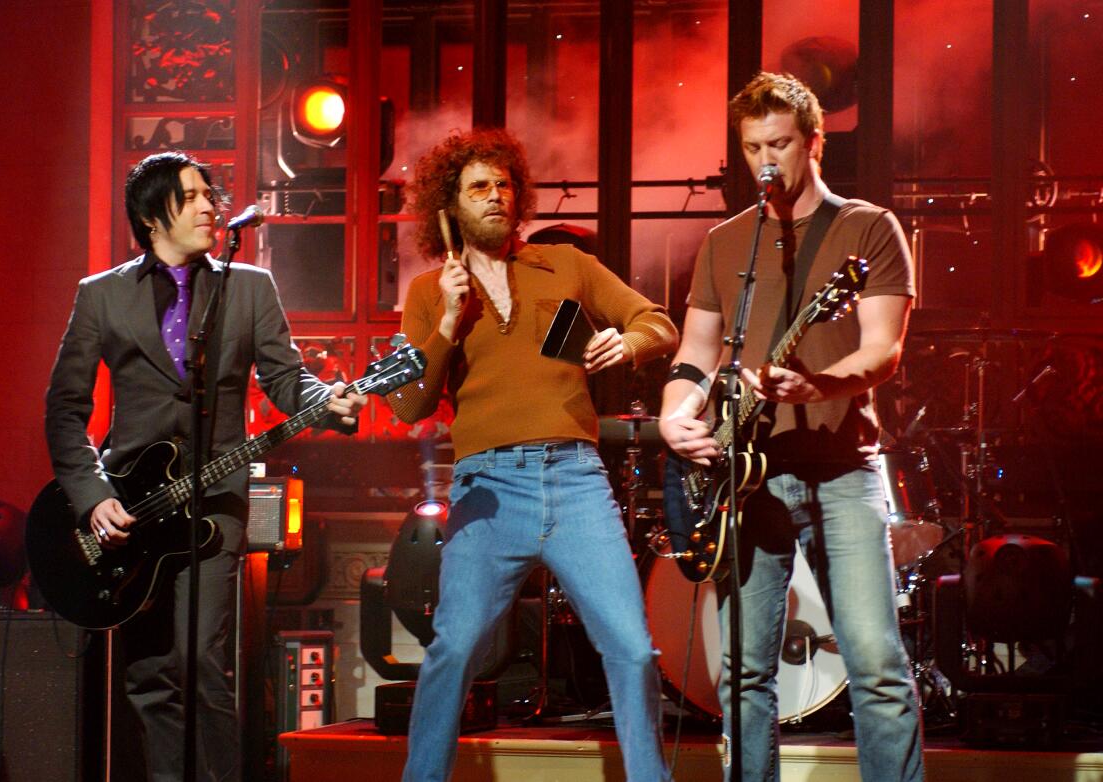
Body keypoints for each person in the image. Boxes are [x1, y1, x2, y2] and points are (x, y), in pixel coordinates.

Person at [44, 151, 366, 781]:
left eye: (208, 195)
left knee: (196, 657)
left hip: (215, 506)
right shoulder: (101, 297)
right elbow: (65, 409)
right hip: (132, 511)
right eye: (190, 197)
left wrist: (325, 404)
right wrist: (92, 496)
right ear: (149, 215)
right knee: (150, 671)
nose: (208, 207)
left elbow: (285, 377)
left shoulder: (249, 287)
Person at [388, 128, 678, 782]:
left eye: (504, 185)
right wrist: (445, 325)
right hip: (487, 491)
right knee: (452, 650)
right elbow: (408, 406)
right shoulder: (432, 291)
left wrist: (628, 345)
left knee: (631, 650)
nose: (495, 196)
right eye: (478, 188)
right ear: (449, 204)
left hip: (575, 483)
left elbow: (658, 322)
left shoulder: (564, 265)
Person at [659, 72, 924, 781]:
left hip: (843, 469)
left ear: (814, 142)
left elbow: (883, 349)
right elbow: (696, 351)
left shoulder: (866, 228)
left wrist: (819, 383)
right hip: (749, 475)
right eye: (751, 148)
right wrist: (673, 413)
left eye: (778, 144)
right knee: (743, 673)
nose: (765, 162)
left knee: (875, 664)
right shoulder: (725, 243)